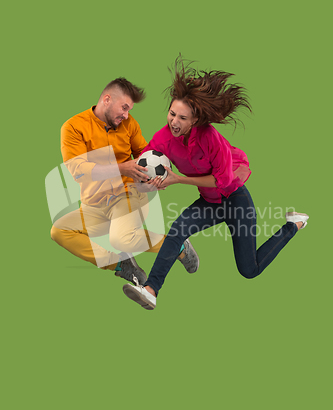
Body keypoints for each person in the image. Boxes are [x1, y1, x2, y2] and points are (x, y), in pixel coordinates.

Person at [122, 57, 309, 310]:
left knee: (249, 270)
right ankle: (151, 290)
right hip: (210, 203)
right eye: (172, 113)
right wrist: (142, 180)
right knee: (178, 228)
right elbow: (144, 164)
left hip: (235, 199)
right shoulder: (163, 138)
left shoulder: (211, 138)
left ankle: (292, 225)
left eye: (182, 118)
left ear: (196, 120)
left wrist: (178, 179)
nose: (174, 122)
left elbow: (222, 180)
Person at [50, 77, 199, 285]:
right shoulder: (73, 127)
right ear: (107, 99)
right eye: (124, 107)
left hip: (129, 194)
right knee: (59, 231)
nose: (126, 114)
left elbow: (146, 155)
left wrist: (155, 178)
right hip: (95, 203)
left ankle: (176, 245)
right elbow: (79, 170)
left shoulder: (129, 124)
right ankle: (121, 264)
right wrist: (122, 167)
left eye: (129, 109)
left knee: (120, 238)